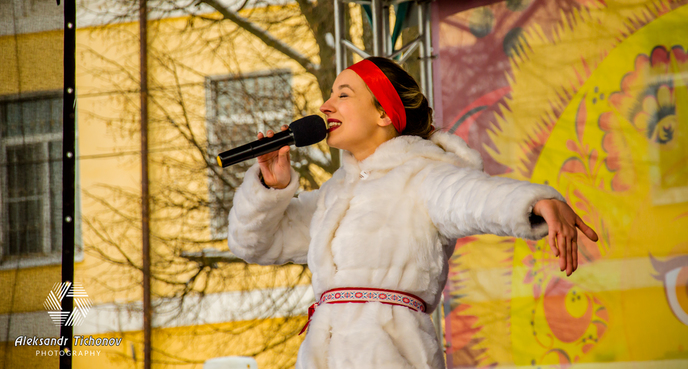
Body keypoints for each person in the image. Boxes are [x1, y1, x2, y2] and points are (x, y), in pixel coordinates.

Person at [228, 56, 598, 369]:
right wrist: (271, 189)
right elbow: (254, 244)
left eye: (343, 94)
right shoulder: (333, 196)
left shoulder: (424, 175)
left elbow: (473, 196)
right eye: (329, 95)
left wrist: (536, 202)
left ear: (383, 114)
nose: (325, 106)